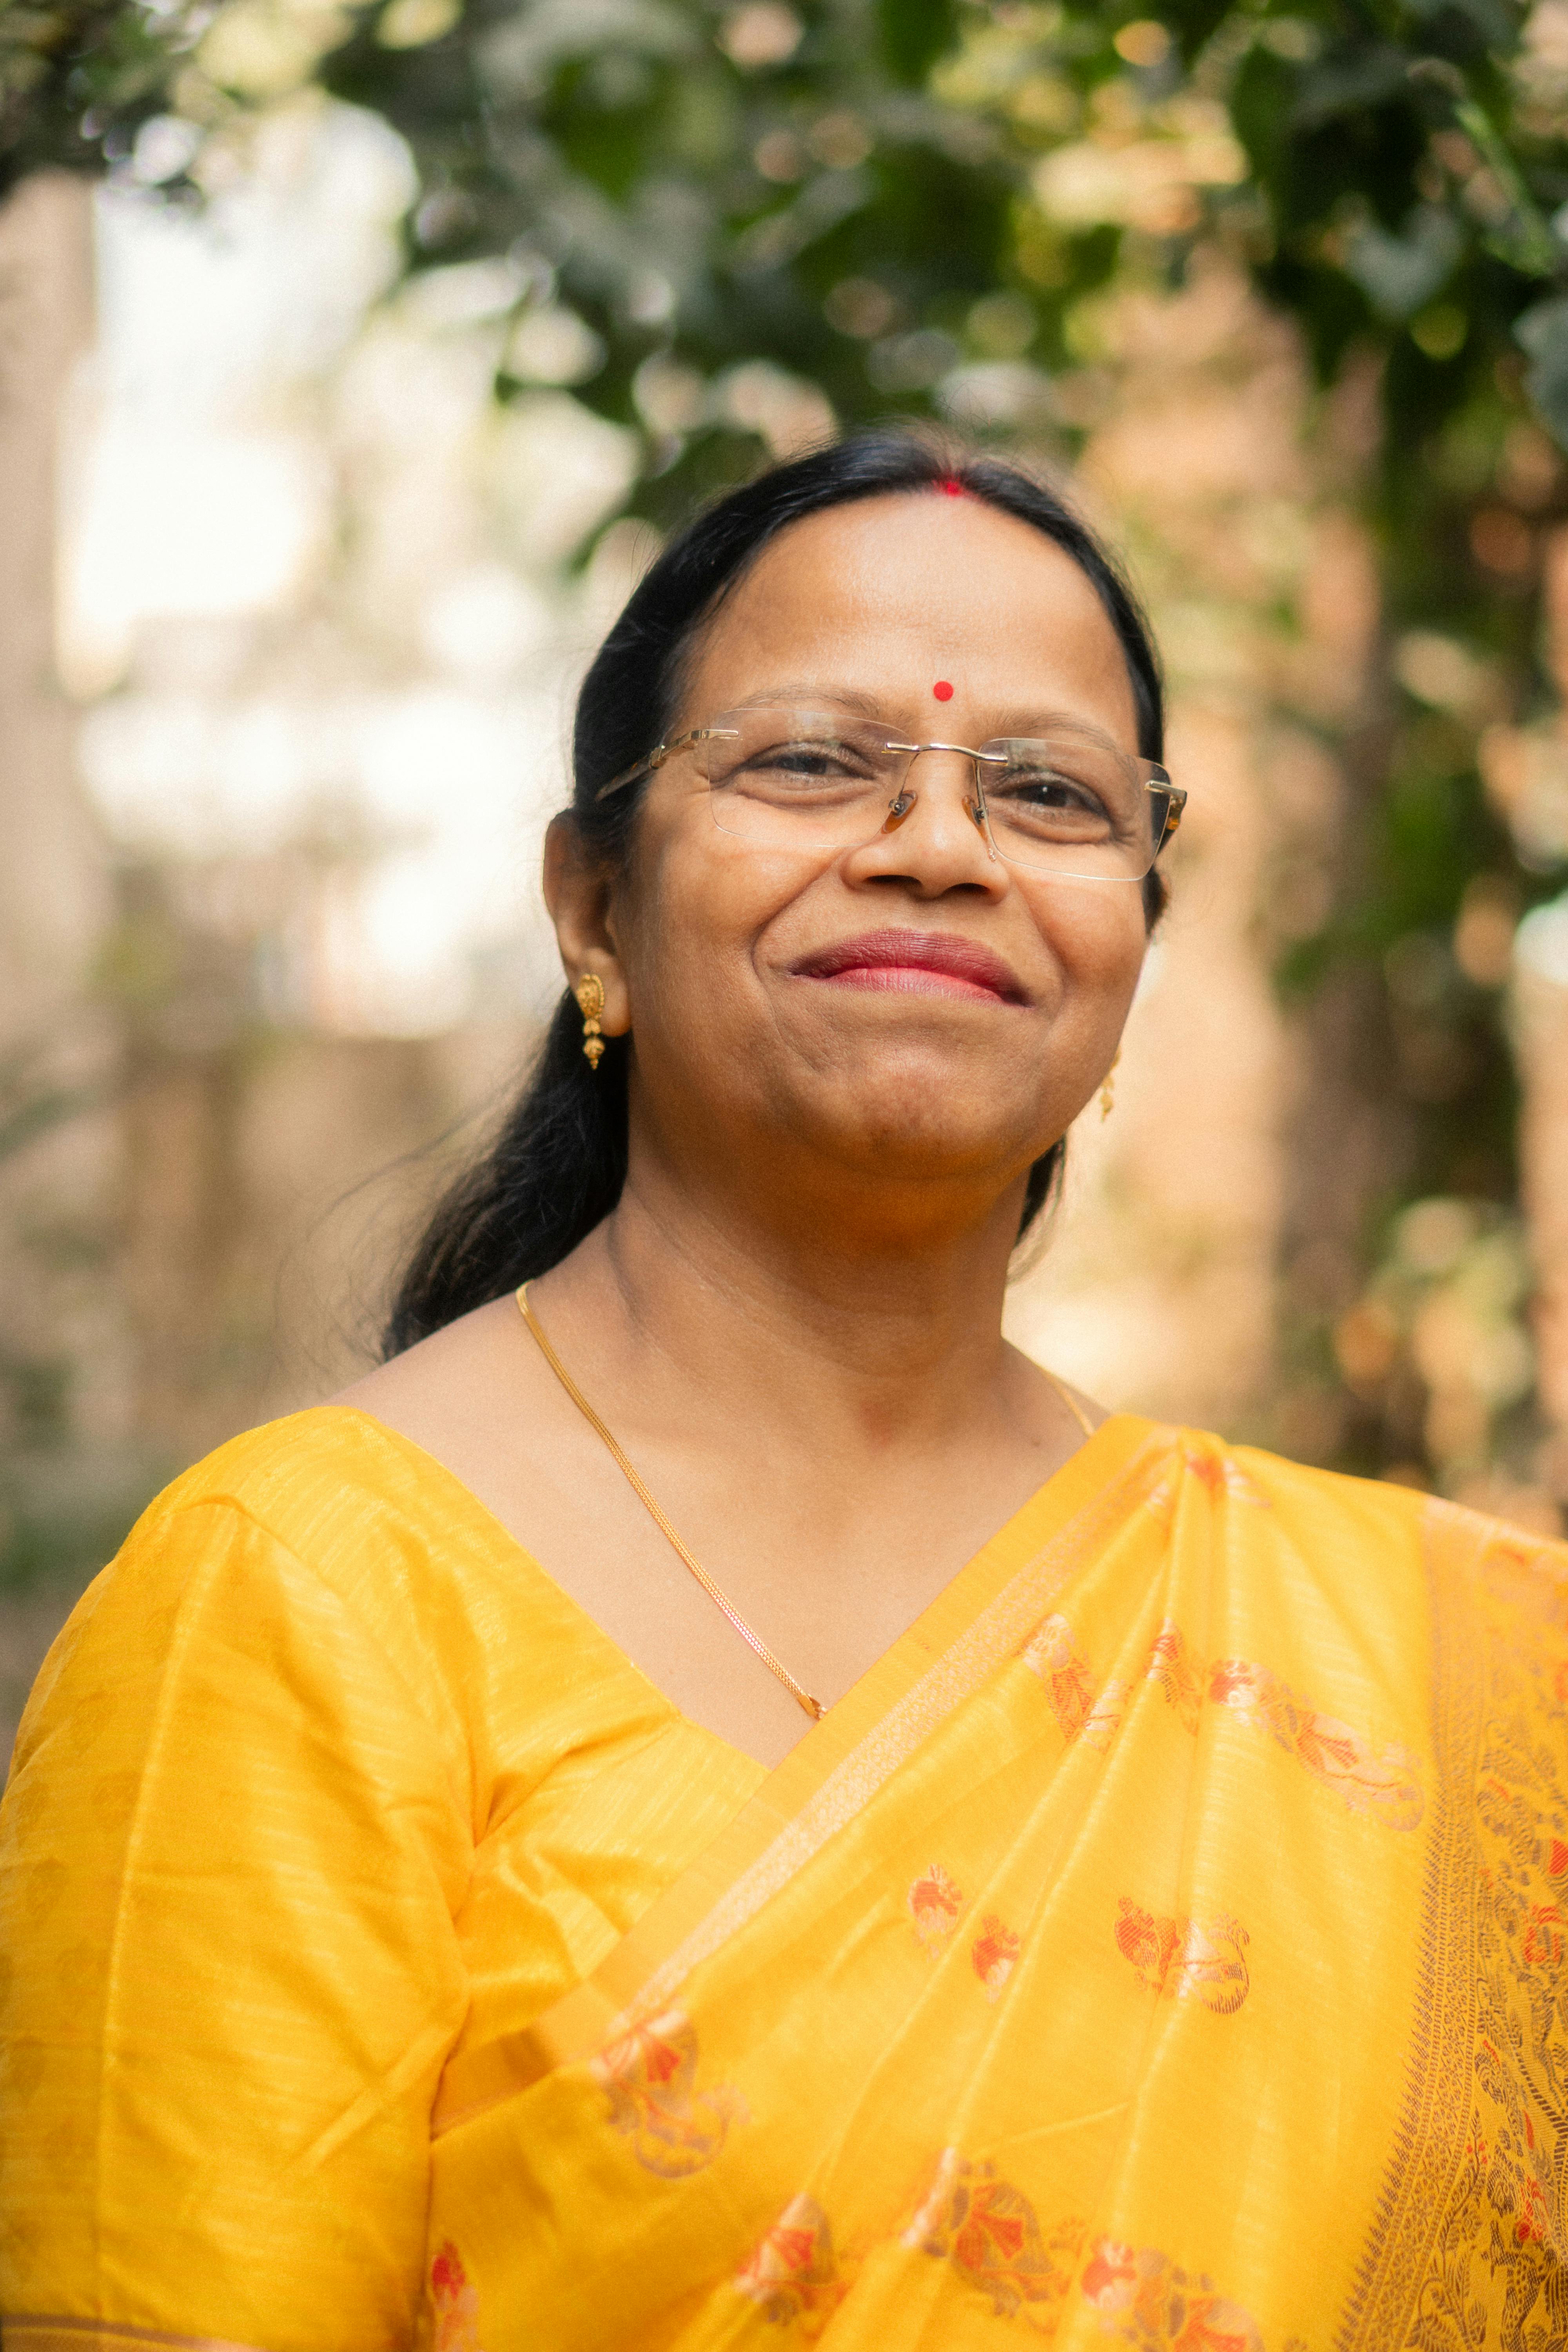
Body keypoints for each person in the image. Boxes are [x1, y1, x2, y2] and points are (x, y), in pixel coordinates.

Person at [2, 429, 1565, 2352]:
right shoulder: (296, 1596)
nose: (939, 846)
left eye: (1049, 792)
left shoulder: (1434, 1668)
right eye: (814, 760)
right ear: (593, 910)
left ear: (1136, 938)